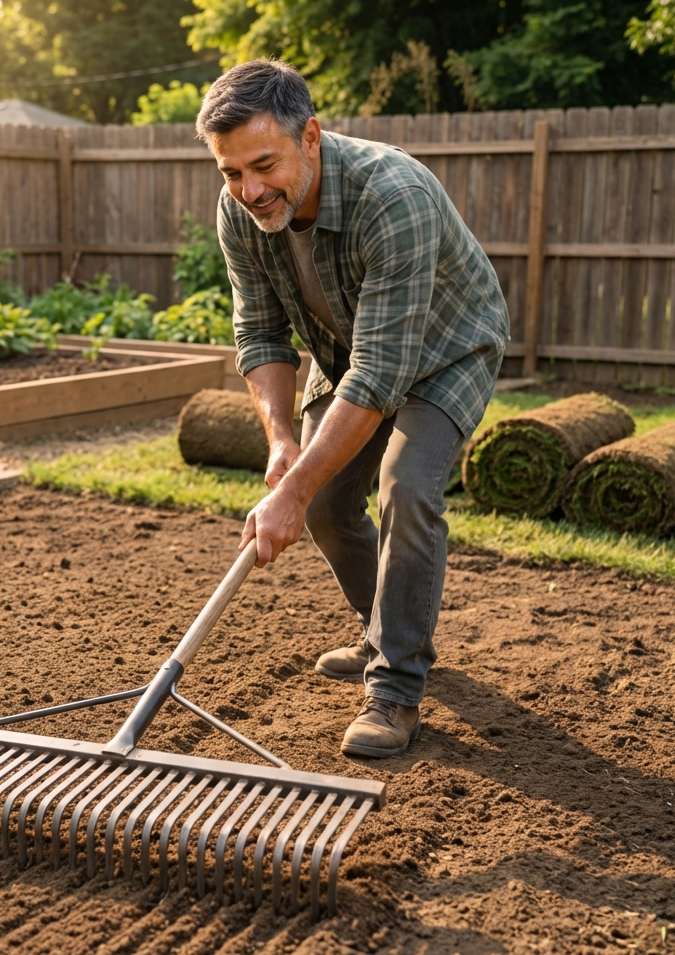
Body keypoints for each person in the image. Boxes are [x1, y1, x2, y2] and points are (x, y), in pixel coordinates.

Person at [197, 59, 509, 758]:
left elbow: (381, 374)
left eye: (263, 165)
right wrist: (283, 446)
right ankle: (386, 630)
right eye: (229, 172)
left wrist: (292, 490)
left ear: (310, 136)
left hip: (447, 349)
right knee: (329, 505)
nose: (248, 189)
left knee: (405, 485)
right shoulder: (238, 211)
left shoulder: (390, 193)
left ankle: (395, 689)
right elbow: (259, 333)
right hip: (346, 350)